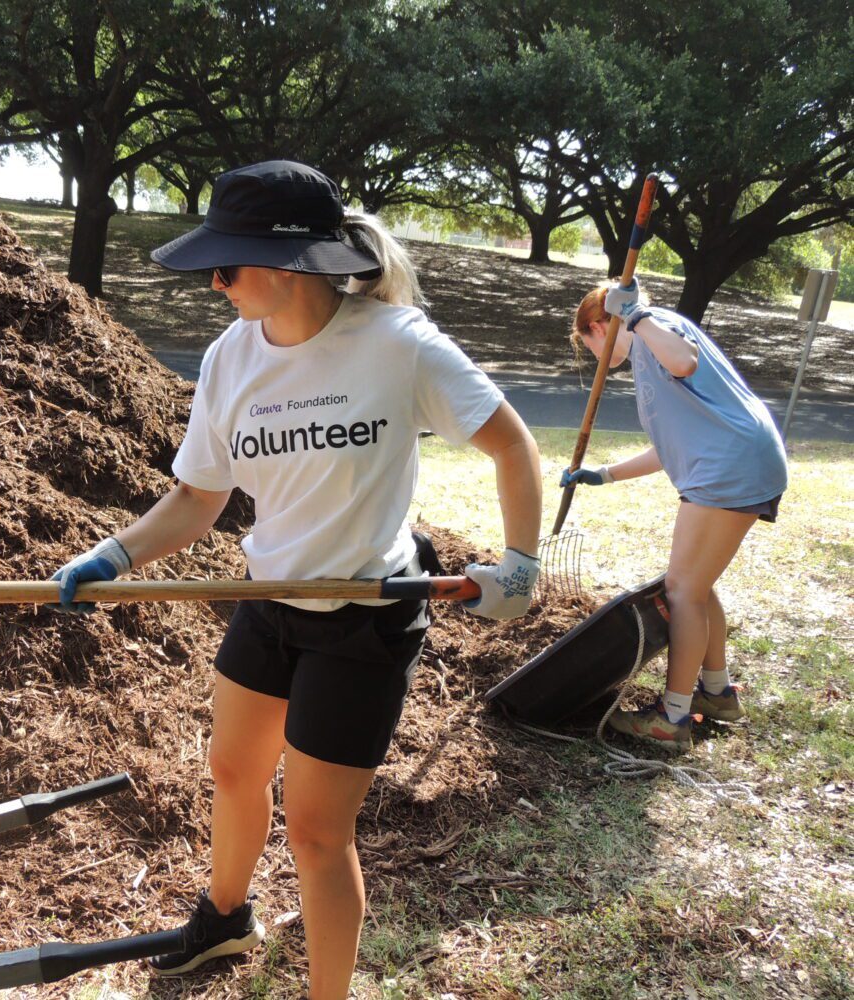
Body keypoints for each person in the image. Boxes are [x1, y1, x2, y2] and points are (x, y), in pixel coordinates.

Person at [50, 160, 542, 1000]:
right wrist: (114, 553)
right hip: (268, 601)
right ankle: (224, 920)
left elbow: (511, 447)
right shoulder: (229, 357)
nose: (214, 281)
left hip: (364, 616)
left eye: (228, 263)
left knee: (317, 835)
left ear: (287, 264)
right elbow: (197, 497)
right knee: (233, 770)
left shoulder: (398, 344)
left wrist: (519, 566)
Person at [564, 279, 787, 752]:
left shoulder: (654, 330)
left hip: (729, 467)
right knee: (696, 585)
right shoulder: (652, 349)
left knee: (681, 590)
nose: (592, 352)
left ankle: (672, 717)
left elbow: (685, 361)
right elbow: (670, 445)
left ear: (598, 326)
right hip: (740, 460)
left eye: (587, 341)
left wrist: (639, 314)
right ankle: (717, 691)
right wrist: (603, 475)